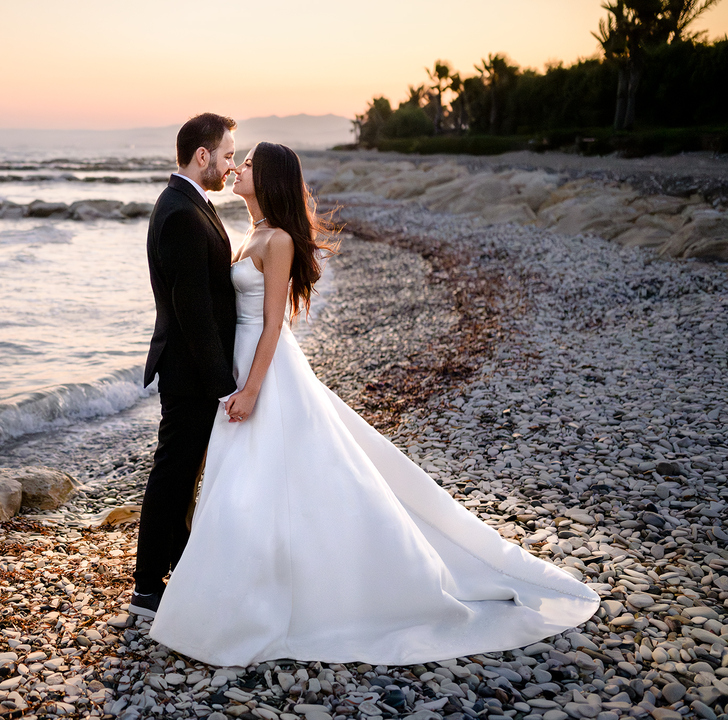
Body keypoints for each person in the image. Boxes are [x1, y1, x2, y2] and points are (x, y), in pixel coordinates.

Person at [147, 142, 600, 666]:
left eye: (247, 164)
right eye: (237, 159)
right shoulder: (254, 231)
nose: (237, 168)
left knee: (272, 472)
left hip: (264, 366)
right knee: (249, 477)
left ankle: (285, 591)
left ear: (268, 176)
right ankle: (239, 584)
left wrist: (250, 388)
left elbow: (275, 323)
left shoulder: (277, 241)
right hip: (243, 361)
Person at [130, 113, 240, 618]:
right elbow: (193, 311)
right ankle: (147, 586)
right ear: (204, 155)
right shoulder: (179, 213)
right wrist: (224, 385)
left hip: (195, 368)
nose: (230, 163)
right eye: (227, 154)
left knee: (185, 470)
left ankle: (176, 567)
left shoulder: (191, 203)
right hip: (190, 371)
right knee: (174, 472)